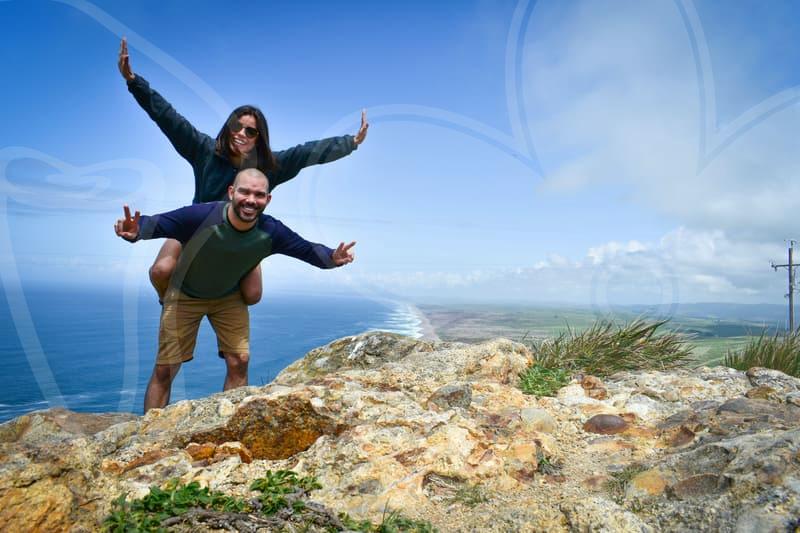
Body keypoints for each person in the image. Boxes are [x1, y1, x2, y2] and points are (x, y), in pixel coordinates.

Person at [118, 38, 367, 305]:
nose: (241, 134)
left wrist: (350, 143)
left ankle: (231, 283)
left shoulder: (270, 167)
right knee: (161, 271)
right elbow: (168, 118)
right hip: (196, 230)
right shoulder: (203, 150)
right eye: (236, 126)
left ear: (259, 138)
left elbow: (306, 153)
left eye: (250, 131)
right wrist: (134, 81)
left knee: (252, 295)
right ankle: (167, 300)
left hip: (242, 236)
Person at [114, 168, 356, 411]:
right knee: (165, 368)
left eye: (259, 195)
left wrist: (332, 257)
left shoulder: (272, 230)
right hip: (184, 295)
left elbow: (307, 250)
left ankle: (230, 421)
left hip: (228, 297)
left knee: (239, 360)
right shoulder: (202, 216)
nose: (251, 200)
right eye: (245, 192)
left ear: (268, 199)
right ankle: (151, 429)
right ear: (231, 192)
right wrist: (135, 231)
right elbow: (157, 223)